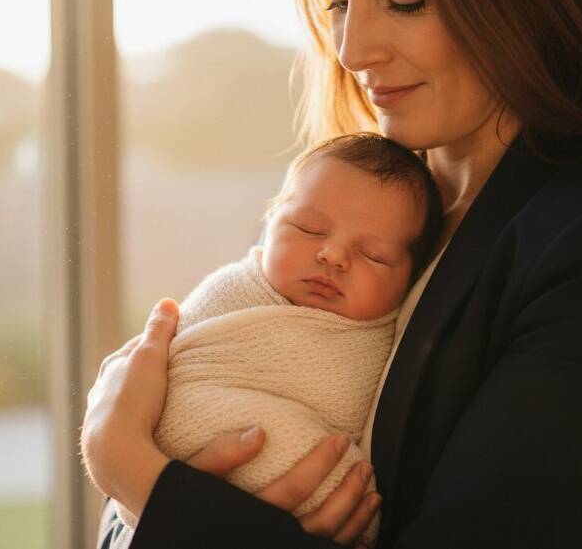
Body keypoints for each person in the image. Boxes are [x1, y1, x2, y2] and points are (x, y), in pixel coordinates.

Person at [82, 0, 582, 548]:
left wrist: (129, 468)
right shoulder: (358, 202)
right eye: (336, 1)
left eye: (405, 1)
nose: (351, 52)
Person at [104, 133, 443, 548]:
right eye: (308, 228)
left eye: (373, 255)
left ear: (412, 280)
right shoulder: (234, 289)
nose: (333, 255)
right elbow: (168, 375)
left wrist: (129, 462)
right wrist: (127, 456)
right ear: (270, 221)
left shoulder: (388, 340)